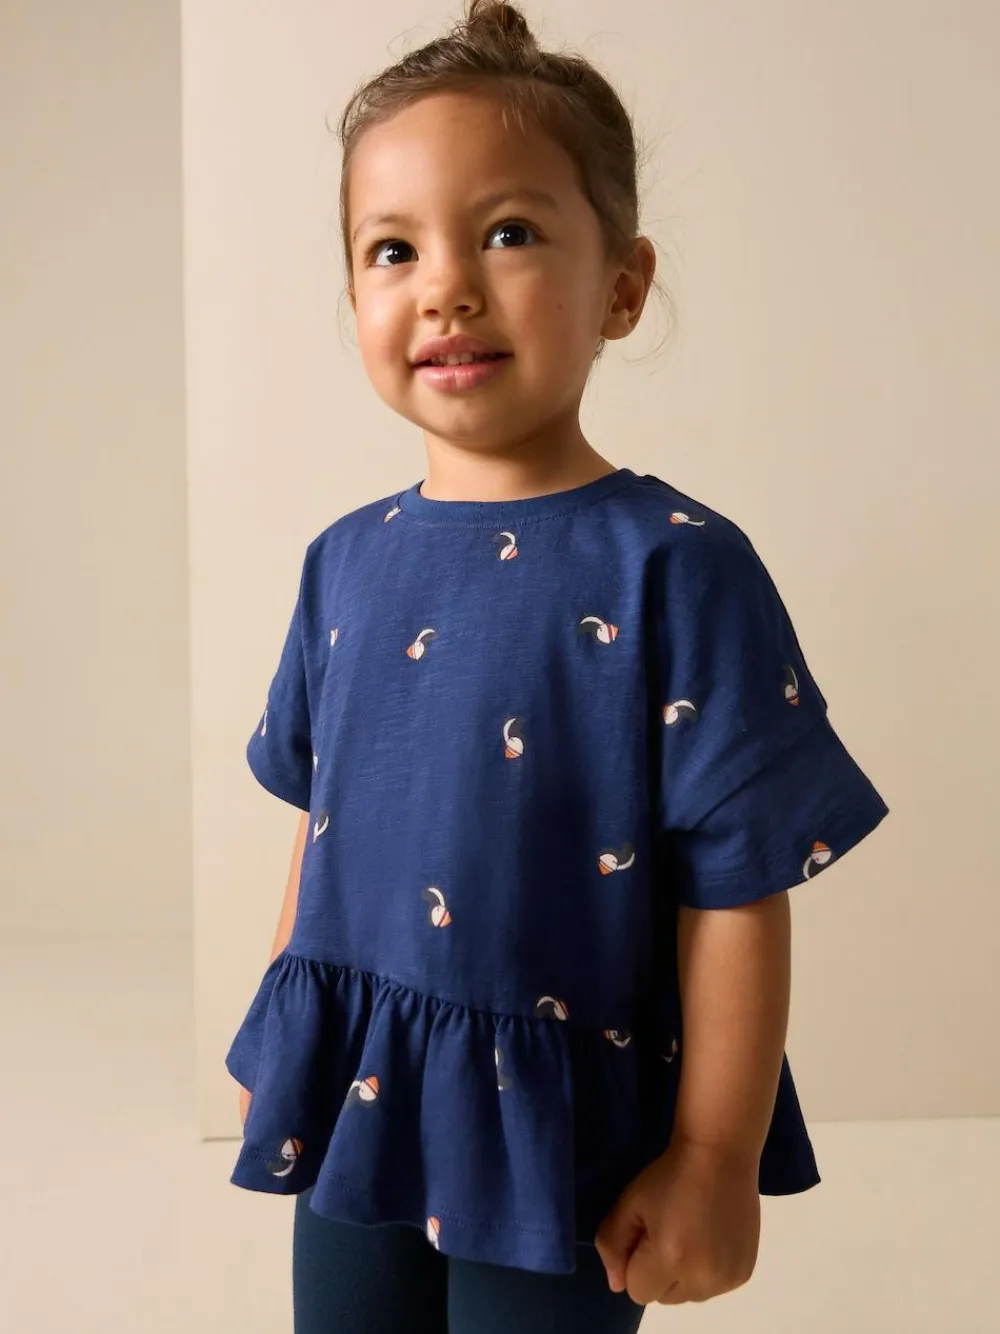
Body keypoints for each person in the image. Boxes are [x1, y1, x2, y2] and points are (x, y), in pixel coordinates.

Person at [225, 2, 890, 1330]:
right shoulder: (342, 561)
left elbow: (737, 886)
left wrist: (713, 1156)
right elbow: (325, 817)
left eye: (509, 232)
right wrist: (286, 1024)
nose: (446, 286)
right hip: (360, 1082)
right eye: (394, 248)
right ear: (354, 298)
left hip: (557, 1117)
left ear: (623, 286)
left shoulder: (676, 567)